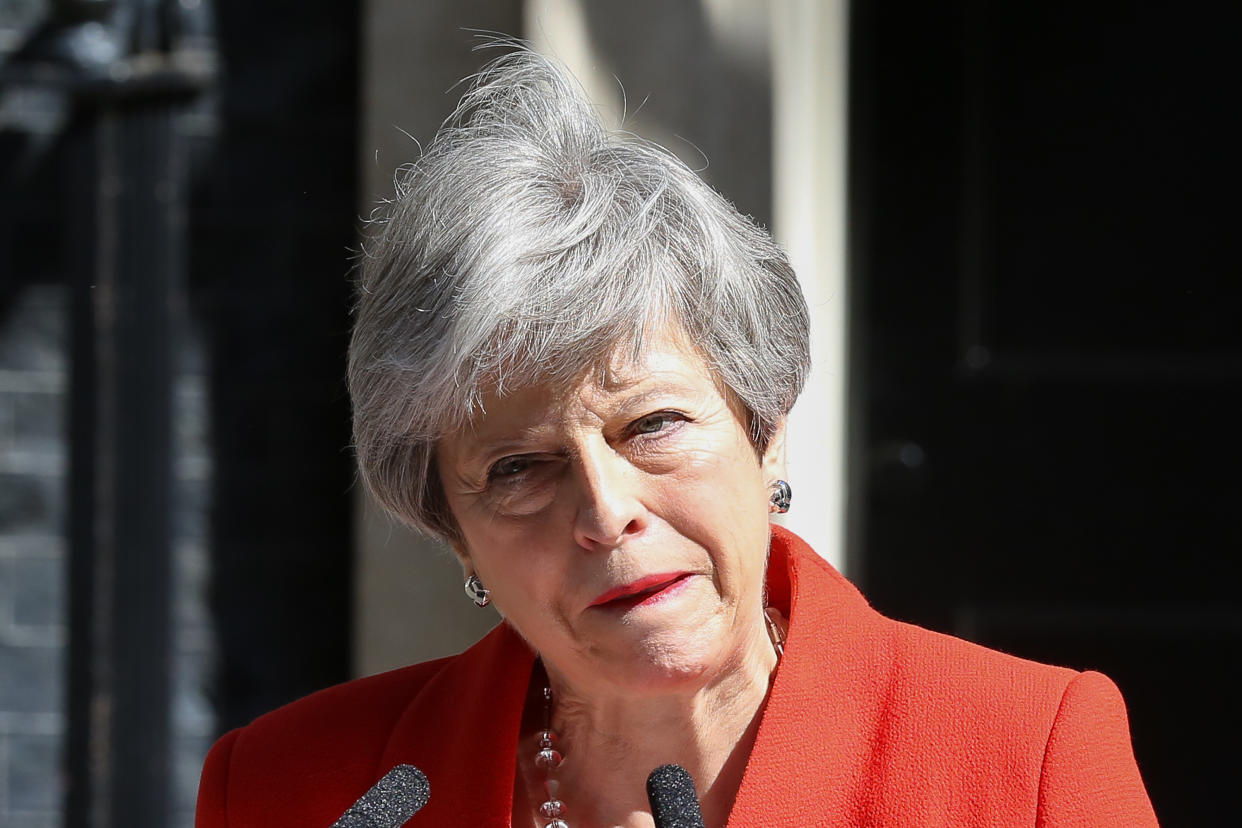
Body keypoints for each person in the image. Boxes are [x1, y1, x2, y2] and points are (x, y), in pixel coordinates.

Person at [195, 49, 1157, 827]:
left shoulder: (1027, 758)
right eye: (520, 469)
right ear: (453, 529)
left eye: (651, 425)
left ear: (766, 433)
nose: (608, 514)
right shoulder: (292, 791)